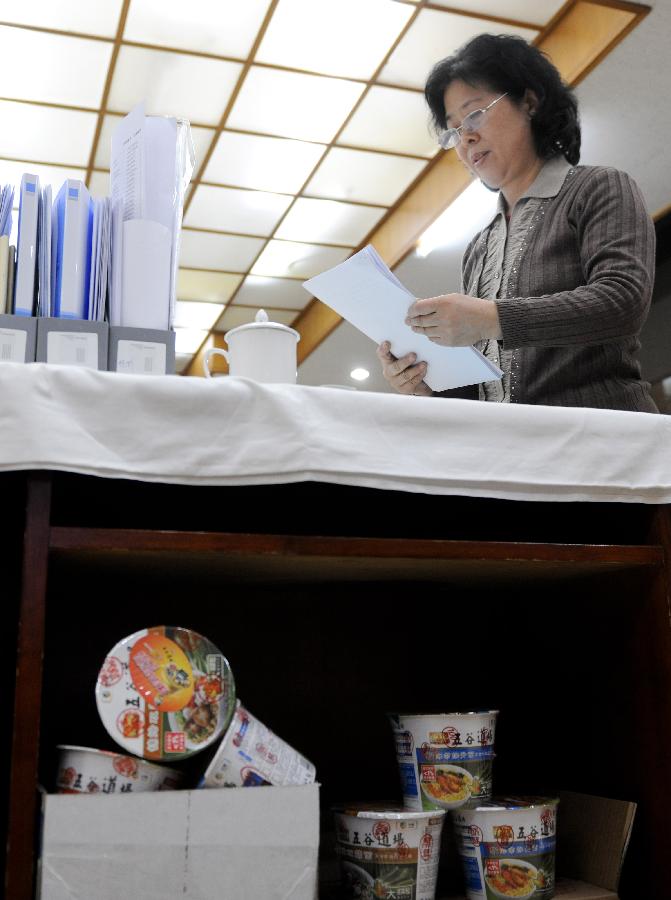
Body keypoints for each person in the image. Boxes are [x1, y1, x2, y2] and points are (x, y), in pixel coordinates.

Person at [376, 33, 658, 412]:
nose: (467, 138)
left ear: (529, 102)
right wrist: (426, 383)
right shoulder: (479, 247)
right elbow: (491, 387)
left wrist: (493, 318)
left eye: (475, 114)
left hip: (603, 440)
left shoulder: (598, 187)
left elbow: (622, 301)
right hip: (516, 449)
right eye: (454, 129)